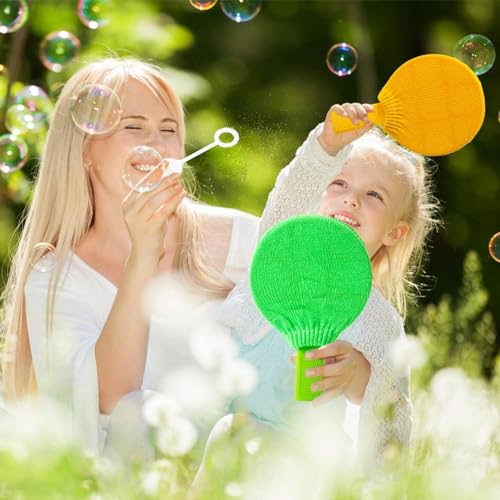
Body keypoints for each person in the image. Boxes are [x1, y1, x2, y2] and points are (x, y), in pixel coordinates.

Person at [0, 58, 261, 456]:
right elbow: (110, 405)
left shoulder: (243, 238)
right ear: (85, 150)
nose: (156, 142)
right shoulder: (55, 278)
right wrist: (144, 255)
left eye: (168, 129)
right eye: (134, 127)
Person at [216, 102, 441, 467]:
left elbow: (394, 420)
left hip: (298, 460)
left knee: (234, 437)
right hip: (213, 424)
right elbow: (290, 195)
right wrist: (327, 145)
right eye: (339, 183)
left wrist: (360, 377)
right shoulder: (281, 256)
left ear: (394, 232)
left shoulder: (378, 320)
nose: (351, 198)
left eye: (374, 196)